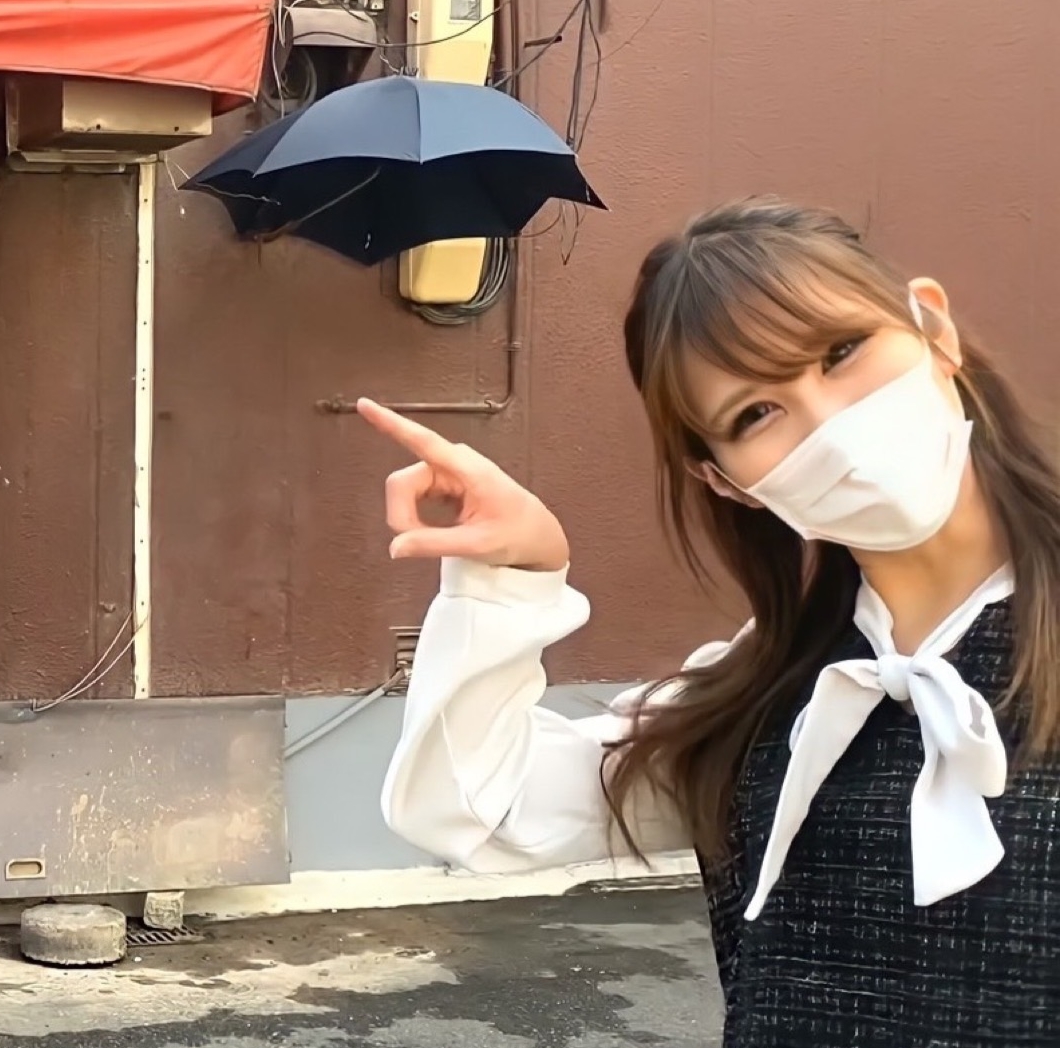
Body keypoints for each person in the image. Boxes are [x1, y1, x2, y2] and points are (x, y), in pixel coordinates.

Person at [356, 196, 1060, 1048]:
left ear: (933, 329)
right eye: (754, 415)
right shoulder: (758, 699)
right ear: (725, 480)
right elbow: (476, 806)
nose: (830, 426)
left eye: (842, 351)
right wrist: (510, 578)